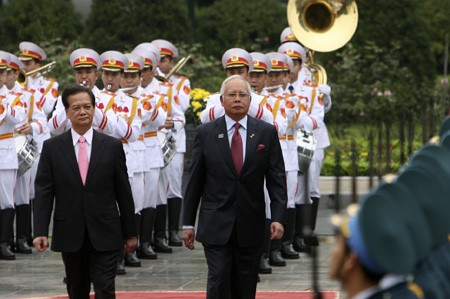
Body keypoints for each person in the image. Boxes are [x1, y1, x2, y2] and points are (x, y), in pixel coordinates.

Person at [182, 75, 287, 298]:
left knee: (245, 283)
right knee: (218, 278)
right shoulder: (206, 132)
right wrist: (187, 223)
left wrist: (277, 216)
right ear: (221, 100)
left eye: (243, 95)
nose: (237, 99)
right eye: (232, 94)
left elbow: (276, 179)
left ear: (250, 100)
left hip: (251, 222)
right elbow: (194, 182)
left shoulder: (265, 132)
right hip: (216, 223)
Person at [33, 85, 137, 299]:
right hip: (70, 230)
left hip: (106, 229)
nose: (83, 112)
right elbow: (44, 191)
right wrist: (40, 230)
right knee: (76, 288)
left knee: (105, 288)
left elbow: (123, 192)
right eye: (77, 108)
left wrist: (130, 233)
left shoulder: (111, 146)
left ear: (95, 109)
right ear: (67, 112)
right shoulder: (52, 148)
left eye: (88, 107)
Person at [6, 53, 48, 255]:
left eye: (7, 73)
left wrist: (31, 127)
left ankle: (22, 237)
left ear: (16, 73)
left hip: (19, 147)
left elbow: (42, 122)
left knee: (21, 194)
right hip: (3, 145)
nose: (4, 77)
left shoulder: (29, 95)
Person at [0, 51, 27, 260]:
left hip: (5, 150)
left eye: (2, 72)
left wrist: (3, 106)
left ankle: (4, 242)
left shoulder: (14, 97)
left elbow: (19, 118)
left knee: (7, 200)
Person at [18, 41, 58, 117]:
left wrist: (29, 84)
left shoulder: (50, 84)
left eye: (27, 64)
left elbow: (48, 108)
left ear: (37, 66)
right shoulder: (16, 82)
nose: (23, 67)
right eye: (22, 63)